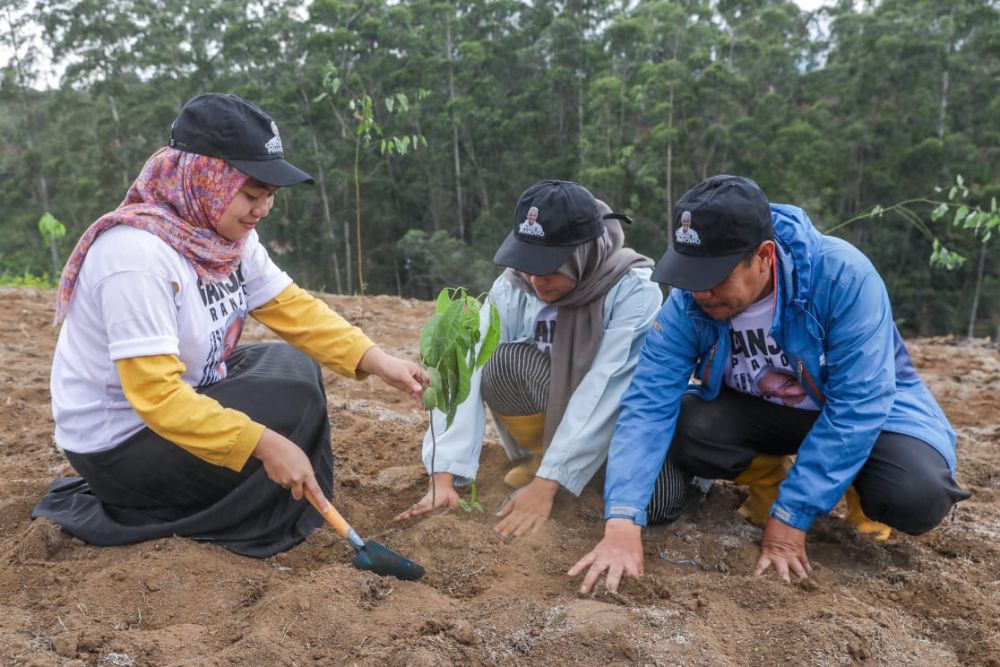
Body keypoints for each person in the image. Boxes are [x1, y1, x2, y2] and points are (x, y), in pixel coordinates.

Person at [33, 93, 427, 557]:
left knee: (290, 365)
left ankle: (290, 502)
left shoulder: (223, 238)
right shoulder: (136, 258)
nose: (262, 209)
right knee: (288, 401)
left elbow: (290, 307)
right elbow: (157, 399)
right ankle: (253, 519)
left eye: (270, 196)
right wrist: (263, 444)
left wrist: (379, 361)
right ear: (204, 180)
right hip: (121, 444)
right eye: (251, 194)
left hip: (183, 397)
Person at [570, 175, 970, 592]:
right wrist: (621, 520)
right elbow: (649, 403)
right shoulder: (689, 300)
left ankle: (854, 489)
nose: (701, 292)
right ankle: (772, 480)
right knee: (692, 429)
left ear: (764, 256)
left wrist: (790, 520)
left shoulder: (842, 277)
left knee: (915, 496)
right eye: (691, 274)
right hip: (770, 412)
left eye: (716, 276)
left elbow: (859, 404)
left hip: (870, 415)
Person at [394, 180, 672, 538]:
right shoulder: (513, 285)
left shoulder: (633, 290)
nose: (536, 278)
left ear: (584, 251)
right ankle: (543, 460)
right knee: (502, 361)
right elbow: (468, 362)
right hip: (552, 409)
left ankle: (568, 473)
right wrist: (442, 475)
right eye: (528, 263)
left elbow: (605, 389)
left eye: (551, 265)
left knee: (659, 503)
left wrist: (546, 487)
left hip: (621, 424)